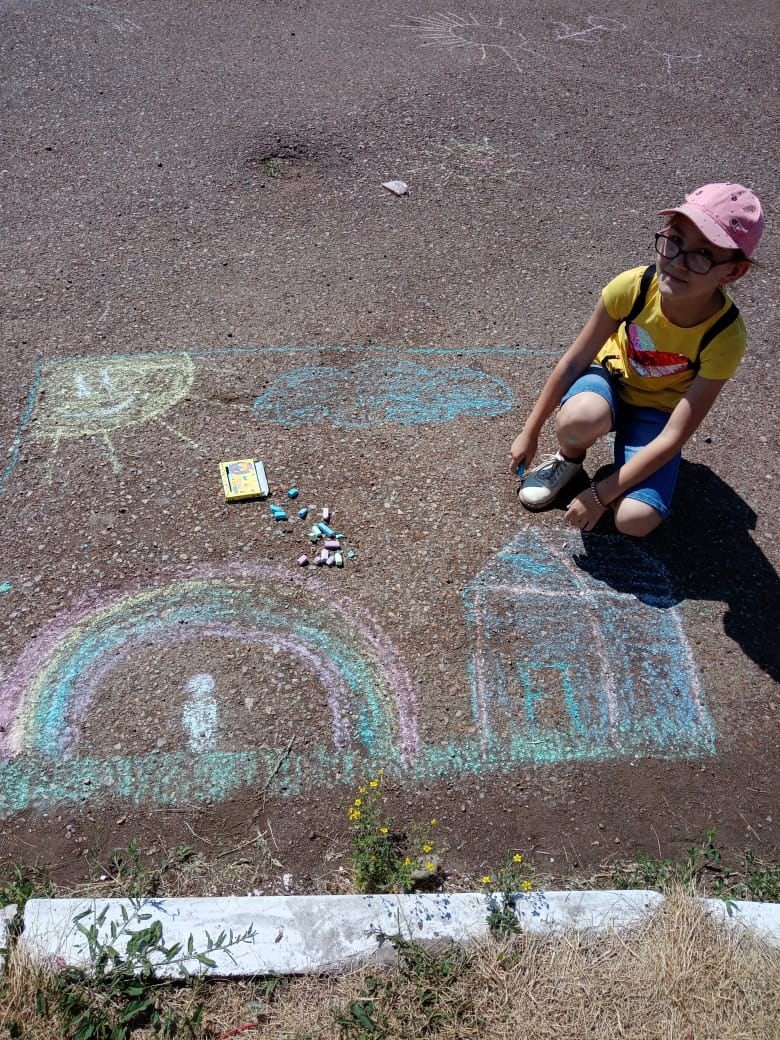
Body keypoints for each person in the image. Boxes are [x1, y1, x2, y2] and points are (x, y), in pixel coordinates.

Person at [509, 182, 764, 537]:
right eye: (675, 239)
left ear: (733, 272)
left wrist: (600, 494)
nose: (678, 261)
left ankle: (627, 471)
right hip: (609, 382)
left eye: (703, 254)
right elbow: (573, 363)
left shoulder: (725, 335)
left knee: (635, 520)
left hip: (658, 414)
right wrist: (530, 431)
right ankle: (569, 458)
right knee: (578, 418)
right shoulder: (634, 286)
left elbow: (675, 435)